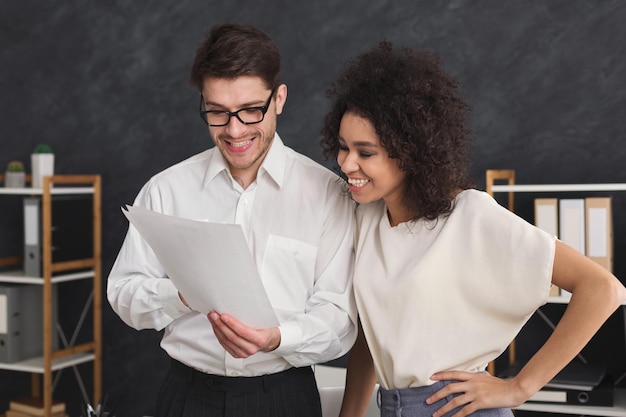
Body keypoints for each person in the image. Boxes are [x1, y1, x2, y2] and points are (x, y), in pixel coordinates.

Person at [320, 41, 626, 417]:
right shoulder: (366, 219)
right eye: (342, 146)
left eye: (365, 152)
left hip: (458, 408)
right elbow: (374, 334)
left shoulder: (469, 216)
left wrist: (519, 388)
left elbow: (604, 289)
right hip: (391, 407)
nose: (347, 163)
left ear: (411, 152)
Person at [107, 23, 357, 417]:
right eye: (218, 113)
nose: (235, 130)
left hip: (284, 397)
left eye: (250, 110)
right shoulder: (166, 189)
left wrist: (277, 338)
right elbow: (124, 293)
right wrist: (182, 294)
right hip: (187, 396)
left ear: (279, 99)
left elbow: (339, 319)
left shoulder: (328, 195)